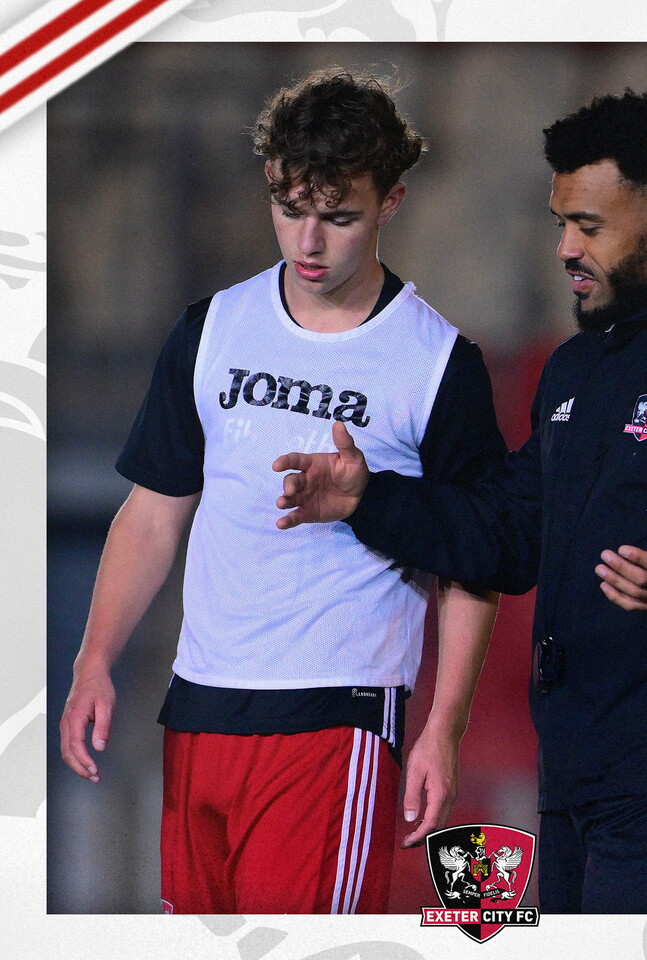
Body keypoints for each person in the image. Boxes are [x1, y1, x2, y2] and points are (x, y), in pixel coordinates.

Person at [271, 89, 647, 915]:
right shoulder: (579, 367)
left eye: (588, 225)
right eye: (560, 223)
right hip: (573, 780)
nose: (564, 249)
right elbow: (506, 535)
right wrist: (369, 500)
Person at [58, 68, 503, 915]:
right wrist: (95, 658)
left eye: (338, 216)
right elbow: (152, 513)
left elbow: (474, 560)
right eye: (290, 208)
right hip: (198, 708)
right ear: (269, 181)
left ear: (391, 201)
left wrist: (443, 726)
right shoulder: (213, 327)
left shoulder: (438, 363)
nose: (309, 240)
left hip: (335, 716)